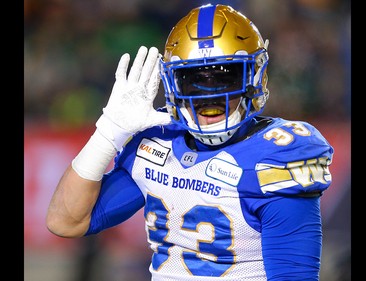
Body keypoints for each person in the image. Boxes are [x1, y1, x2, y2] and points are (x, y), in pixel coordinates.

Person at [46, 3, 334, 280]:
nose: (209, 96)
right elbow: (66, 221)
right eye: (193, 79)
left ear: (255, 77)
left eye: (225, 77)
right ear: (172, 84)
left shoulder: (276, 156)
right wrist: (108, 131)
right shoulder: (158, 140)